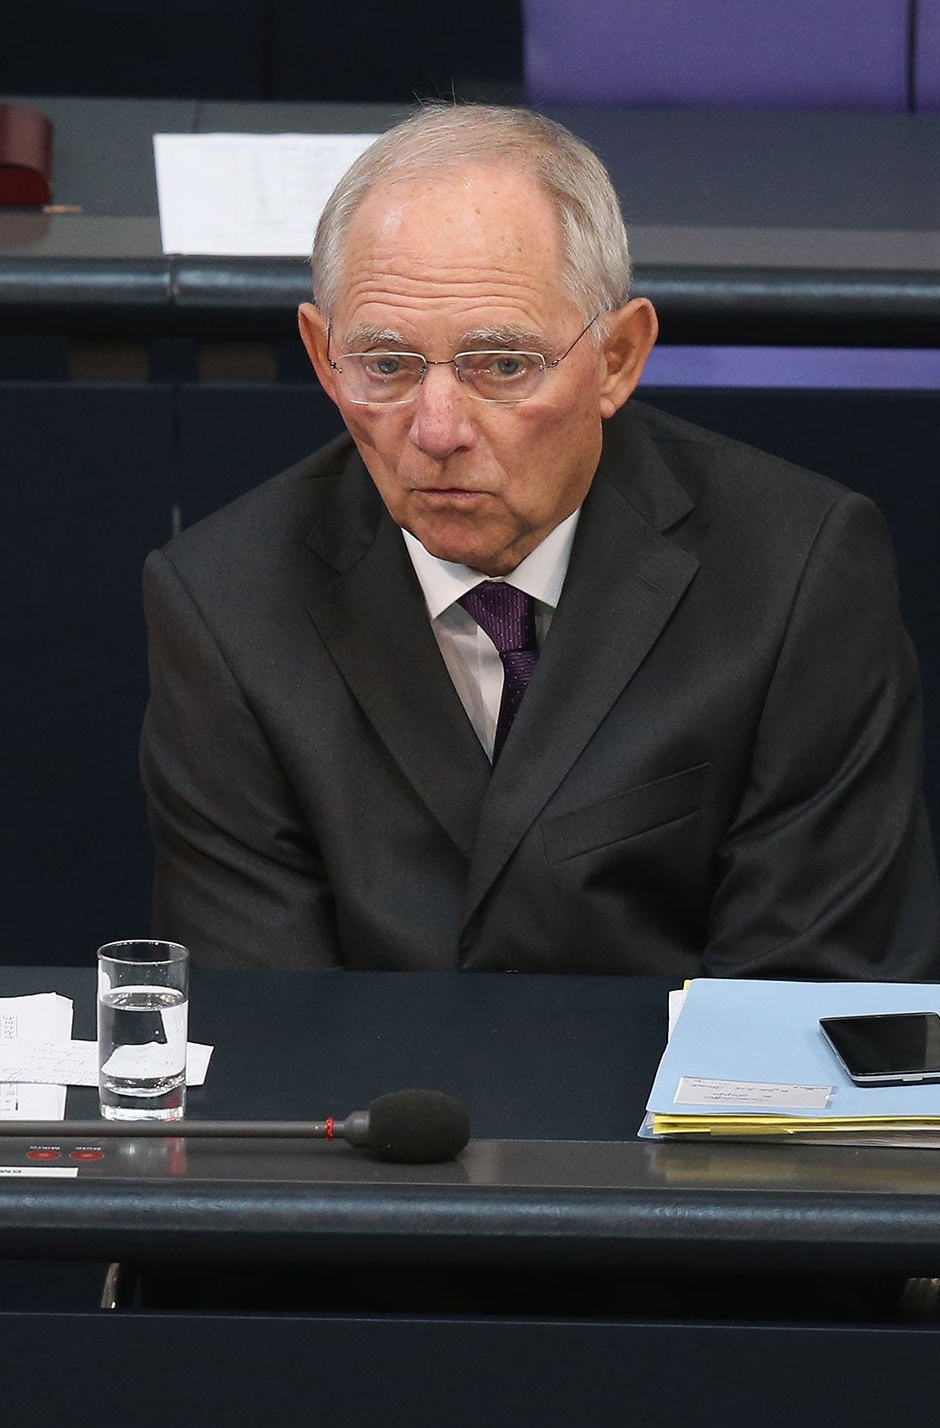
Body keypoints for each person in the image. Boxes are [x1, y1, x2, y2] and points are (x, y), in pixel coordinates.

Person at [140, 103, 940, 979]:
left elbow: (802, 1010)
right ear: (322, 354)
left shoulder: (796, 573)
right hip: (371, 1108)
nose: (437, 429)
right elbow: (267, 1020)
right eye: (386, 365)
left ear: (619, 357)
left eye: (503, 365)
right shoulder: (224, 601)